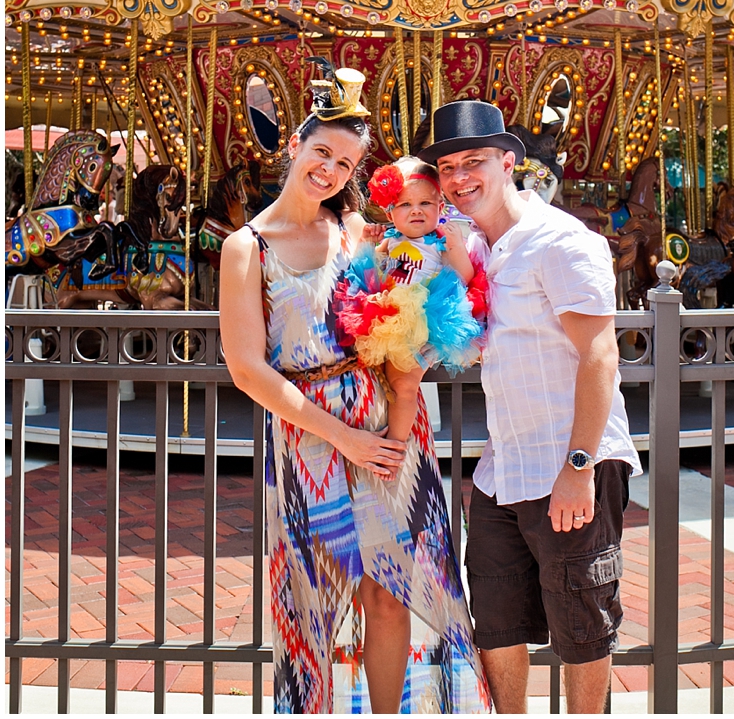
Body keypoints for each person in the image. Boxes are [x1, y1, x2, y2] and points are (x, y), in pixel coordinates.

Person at [220, 67, 489, 715]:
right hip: (310, 439)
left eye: (345, 162)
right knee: (311, 599)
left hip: (385, 424)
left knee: (389, 592)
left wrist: (419, 362)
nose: (331, 170)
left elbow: (417, 290)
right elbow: (248, 369)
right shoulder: (246, 247)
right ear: (294, 146)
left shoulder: (357, 230)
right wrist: (342, 436)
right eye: (322, 153)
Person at [420, 99, 641, 715]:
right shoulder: (479, 249)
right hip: (502, 468)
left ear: (509, 161)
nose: (460, 178)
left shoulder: (561, 241)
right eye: (447, 168)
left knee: (582, 619)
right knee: (495, 617)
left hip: (568, 462)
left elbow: (600, 356)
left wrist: (578, 467)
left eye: (474, 161)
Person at [339, 156, 484, 442]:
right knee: (380, 380)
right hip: (388, 314)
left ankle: (396, 443)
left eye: (425, 204)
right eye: (405, 204)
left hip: (423, 319)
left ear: (440, 208)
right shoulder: (390, 240)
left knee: (404, 384)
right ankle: (384, 431)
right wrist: (366, 243)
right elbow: (363, 271)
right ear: (390, 212)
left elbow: (464, 276)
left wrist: (455, 246)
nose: (416, 211)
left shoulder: (439, 241)